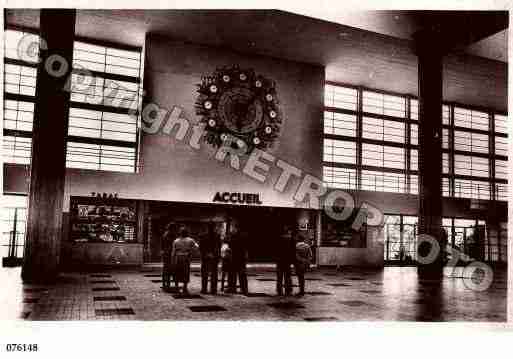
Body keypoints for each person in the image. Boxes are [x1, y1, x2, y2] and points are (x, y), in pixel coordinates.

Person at [171, 226, 199, 295]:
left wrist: (172, 260)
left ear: (180, 233)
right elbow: (196, 247)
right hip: (186, 257)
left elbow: (173, 252)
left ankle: (176, 287)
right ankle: (185, 288)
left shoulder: (176, 241)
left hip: (178, 257)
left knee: (177, 272)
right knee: (185, 273)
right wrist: (191, 252)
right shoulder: (190, 240)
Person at [200, 222, 221, 294]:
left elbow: (201, 247)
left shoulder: (203, 236)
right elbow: (219, 247)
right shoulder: (217, 236)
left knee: (205, 274)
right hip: (214, 256)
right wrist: (217, 255)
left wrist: (205, 254)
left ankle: (204, 289)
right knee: (214, 274)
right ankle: (213, 289)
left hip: (206, 256)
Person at [227, 225, 248, 295]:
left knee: (233, 274)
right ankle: (244, 289)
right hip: (241, 257)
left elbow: (230, 245)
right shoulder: (244, 236)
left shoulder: (233, 236)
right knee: (242, 274)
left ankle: (232, 288)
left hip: (235, 257)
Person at [276, 226, 295, 296]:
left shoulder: (279, 238)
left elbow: (276, 249)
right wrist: (293, 260)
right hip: (287, 260)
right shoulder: (291, 239)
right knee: (288, 276)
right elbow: (293, 250)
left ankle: (279, 290)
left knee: (279, 276)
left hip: (280, 260)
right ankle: (288, 290)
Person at [161, 223, 175, 290]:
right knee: (168, 269)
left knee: (165, 268)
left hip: (166, 253)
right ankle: (167, 283)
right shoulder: (169, 234)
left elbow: (162, 244)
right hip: (169, 253)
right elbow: (171, 244)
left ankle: (165, 283)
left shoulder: (165, 234)